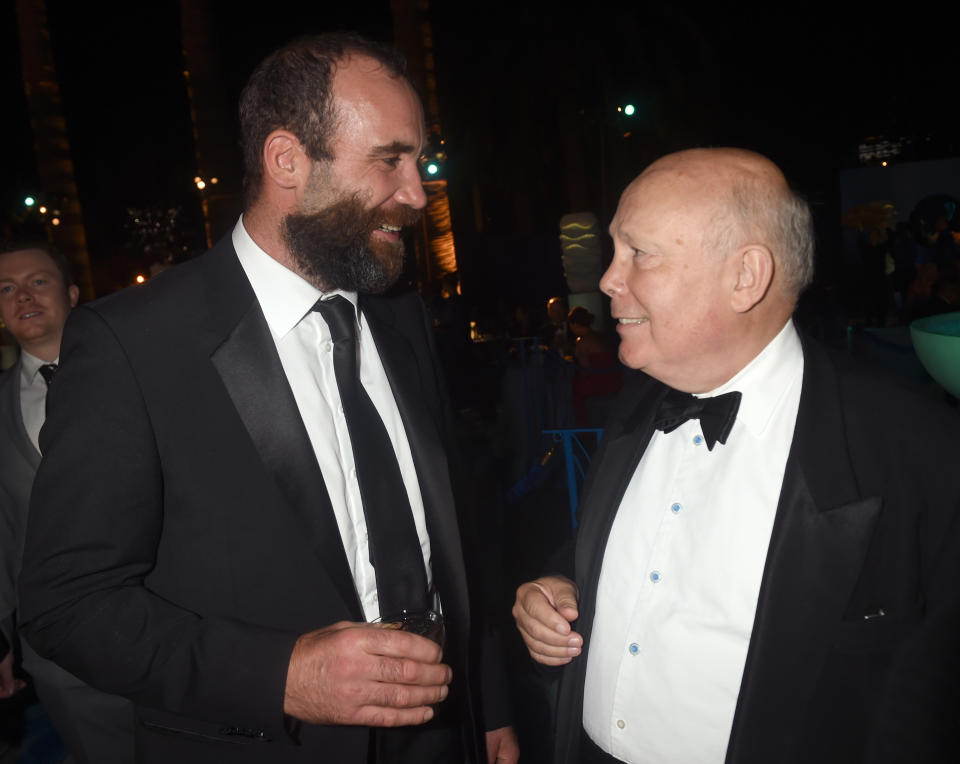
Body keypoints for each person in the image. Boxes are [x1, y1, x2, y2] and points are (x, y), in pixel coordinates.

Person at [18, 34, 517, 764]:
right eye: (390, 159)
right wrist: (280, 675)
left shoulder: (400, 314)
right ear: (287, 160)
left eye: (417, 161)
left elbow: (453, 538)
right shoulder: (134, 342)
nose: (416, 192)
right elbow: (66, 604)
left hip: (444, 733)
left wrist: (488, 704)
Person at [512, 148, 960, 763]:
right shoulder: (634, 412)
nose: (610, 280)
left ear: (745, 276)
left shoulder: (918, 453)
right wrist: (564, 582)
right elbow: (636, 552)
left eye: (639, 253)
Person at [0, 241, 135, 762]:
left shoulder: (137, 373)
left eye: (38, 281)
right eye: (7, 288)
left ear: (72, 294)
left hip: (167, 631)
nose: (23, 297)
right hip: (61, 657)